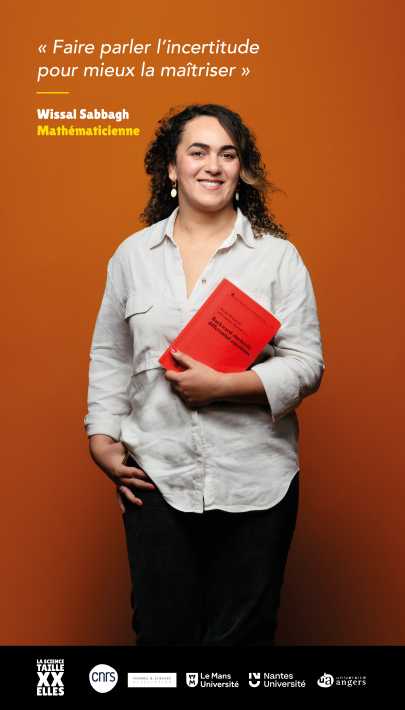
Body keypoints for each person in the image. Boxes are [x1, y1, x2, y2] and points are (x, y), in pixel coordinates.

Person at [84, 104, 324, 646]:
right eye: (198, 152)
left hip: (257, 480)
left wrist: (226, 387)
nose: (212, 165)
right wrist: (100, 439)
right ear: (172, 168)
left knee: (243, 640)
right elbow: (111, 356)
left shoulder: (278, 259)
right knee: (160, 636)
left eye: (227, 153)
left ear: (241, 169)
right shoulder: (132, 256)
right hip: (156, 477)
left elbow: (307, 364)